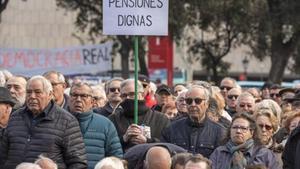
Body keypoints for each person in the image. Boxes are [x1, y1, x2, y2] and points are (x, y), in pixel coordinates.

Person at [0, 75, 87, 169]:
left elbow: (77, 163)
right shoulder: (15, 117)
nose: (32, 96)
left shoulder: (67, 121)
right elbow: (3, 155)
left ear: (50, 94)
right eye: (29, 92)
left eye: (38, 92)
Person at [161, 85, 226, 158]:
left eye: (198, 101)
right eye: (189, 101)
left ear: (206, 104)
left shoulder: (219, 131)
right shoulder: (172, 129)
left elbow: (221, 161)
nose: (193, 104)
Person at [69, 82, 123, 169]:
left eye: (84, 96)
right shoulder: (60, 122)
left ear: (92, 101)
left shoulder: (105, 124)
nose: (78, 99)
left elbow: (116, 158)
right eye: (74, 95)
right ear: (69, 98)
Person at [109, 79, 170, 151]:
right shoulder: (113, 119)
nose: (128, 98)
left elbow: (168, 144)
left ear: (142, 95)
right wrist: (124, 138)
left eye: (132, 94)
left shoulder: (161, 119)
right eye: (124, 95)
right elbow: (108, 146)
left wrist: (147, 141)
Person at [209, 113, 279, 169]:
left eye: (243, 128)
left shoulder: (264, 154)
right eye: (235, 127)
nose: (238, 131)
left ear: (251, 132)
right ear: (230, 130)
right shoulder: (219, 153)